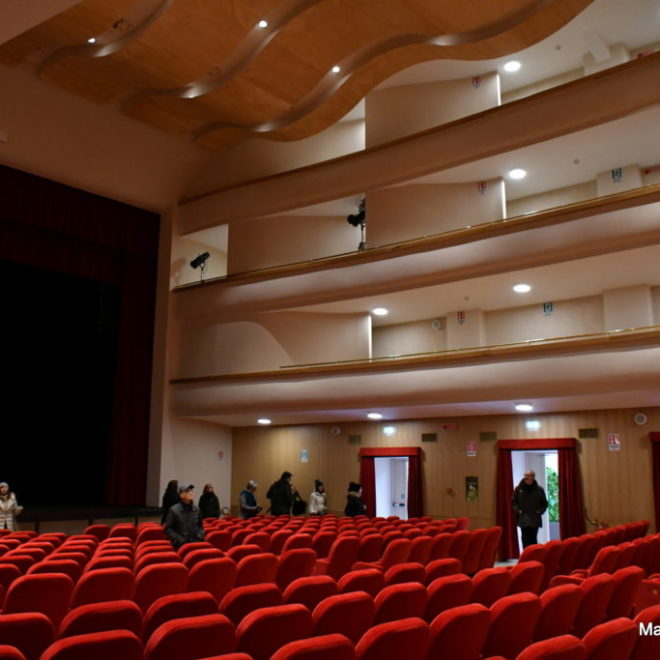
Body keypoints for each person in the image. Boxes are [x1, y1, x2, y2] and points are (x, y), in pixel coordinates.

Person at [511, 470, 548, 548]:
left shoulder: (539, 489)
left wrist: (539, 511)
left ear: (533, 477)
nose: (526, 477)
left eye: (528, 475)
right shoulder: (518, 488)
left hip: (534, 517)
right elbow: (513, 502)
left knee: (533, 538)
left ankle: (533, 555)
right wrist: (518, 510)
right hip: (523, 517)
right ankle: (526, 556)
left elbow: (544, 504)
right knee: (524, 538)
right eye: (525, 475)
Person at [164, 484, 204, 549]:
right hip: (180, 546)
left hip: (196, 544)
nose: (190, 493)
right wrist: (178, 540)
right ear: (181, 495)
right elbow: (168, 528)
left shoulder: (197, 508)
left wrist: (199, 537)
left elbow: (200, 525)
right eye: (187, 491)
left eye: (191, 491)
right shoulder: (174, 510)